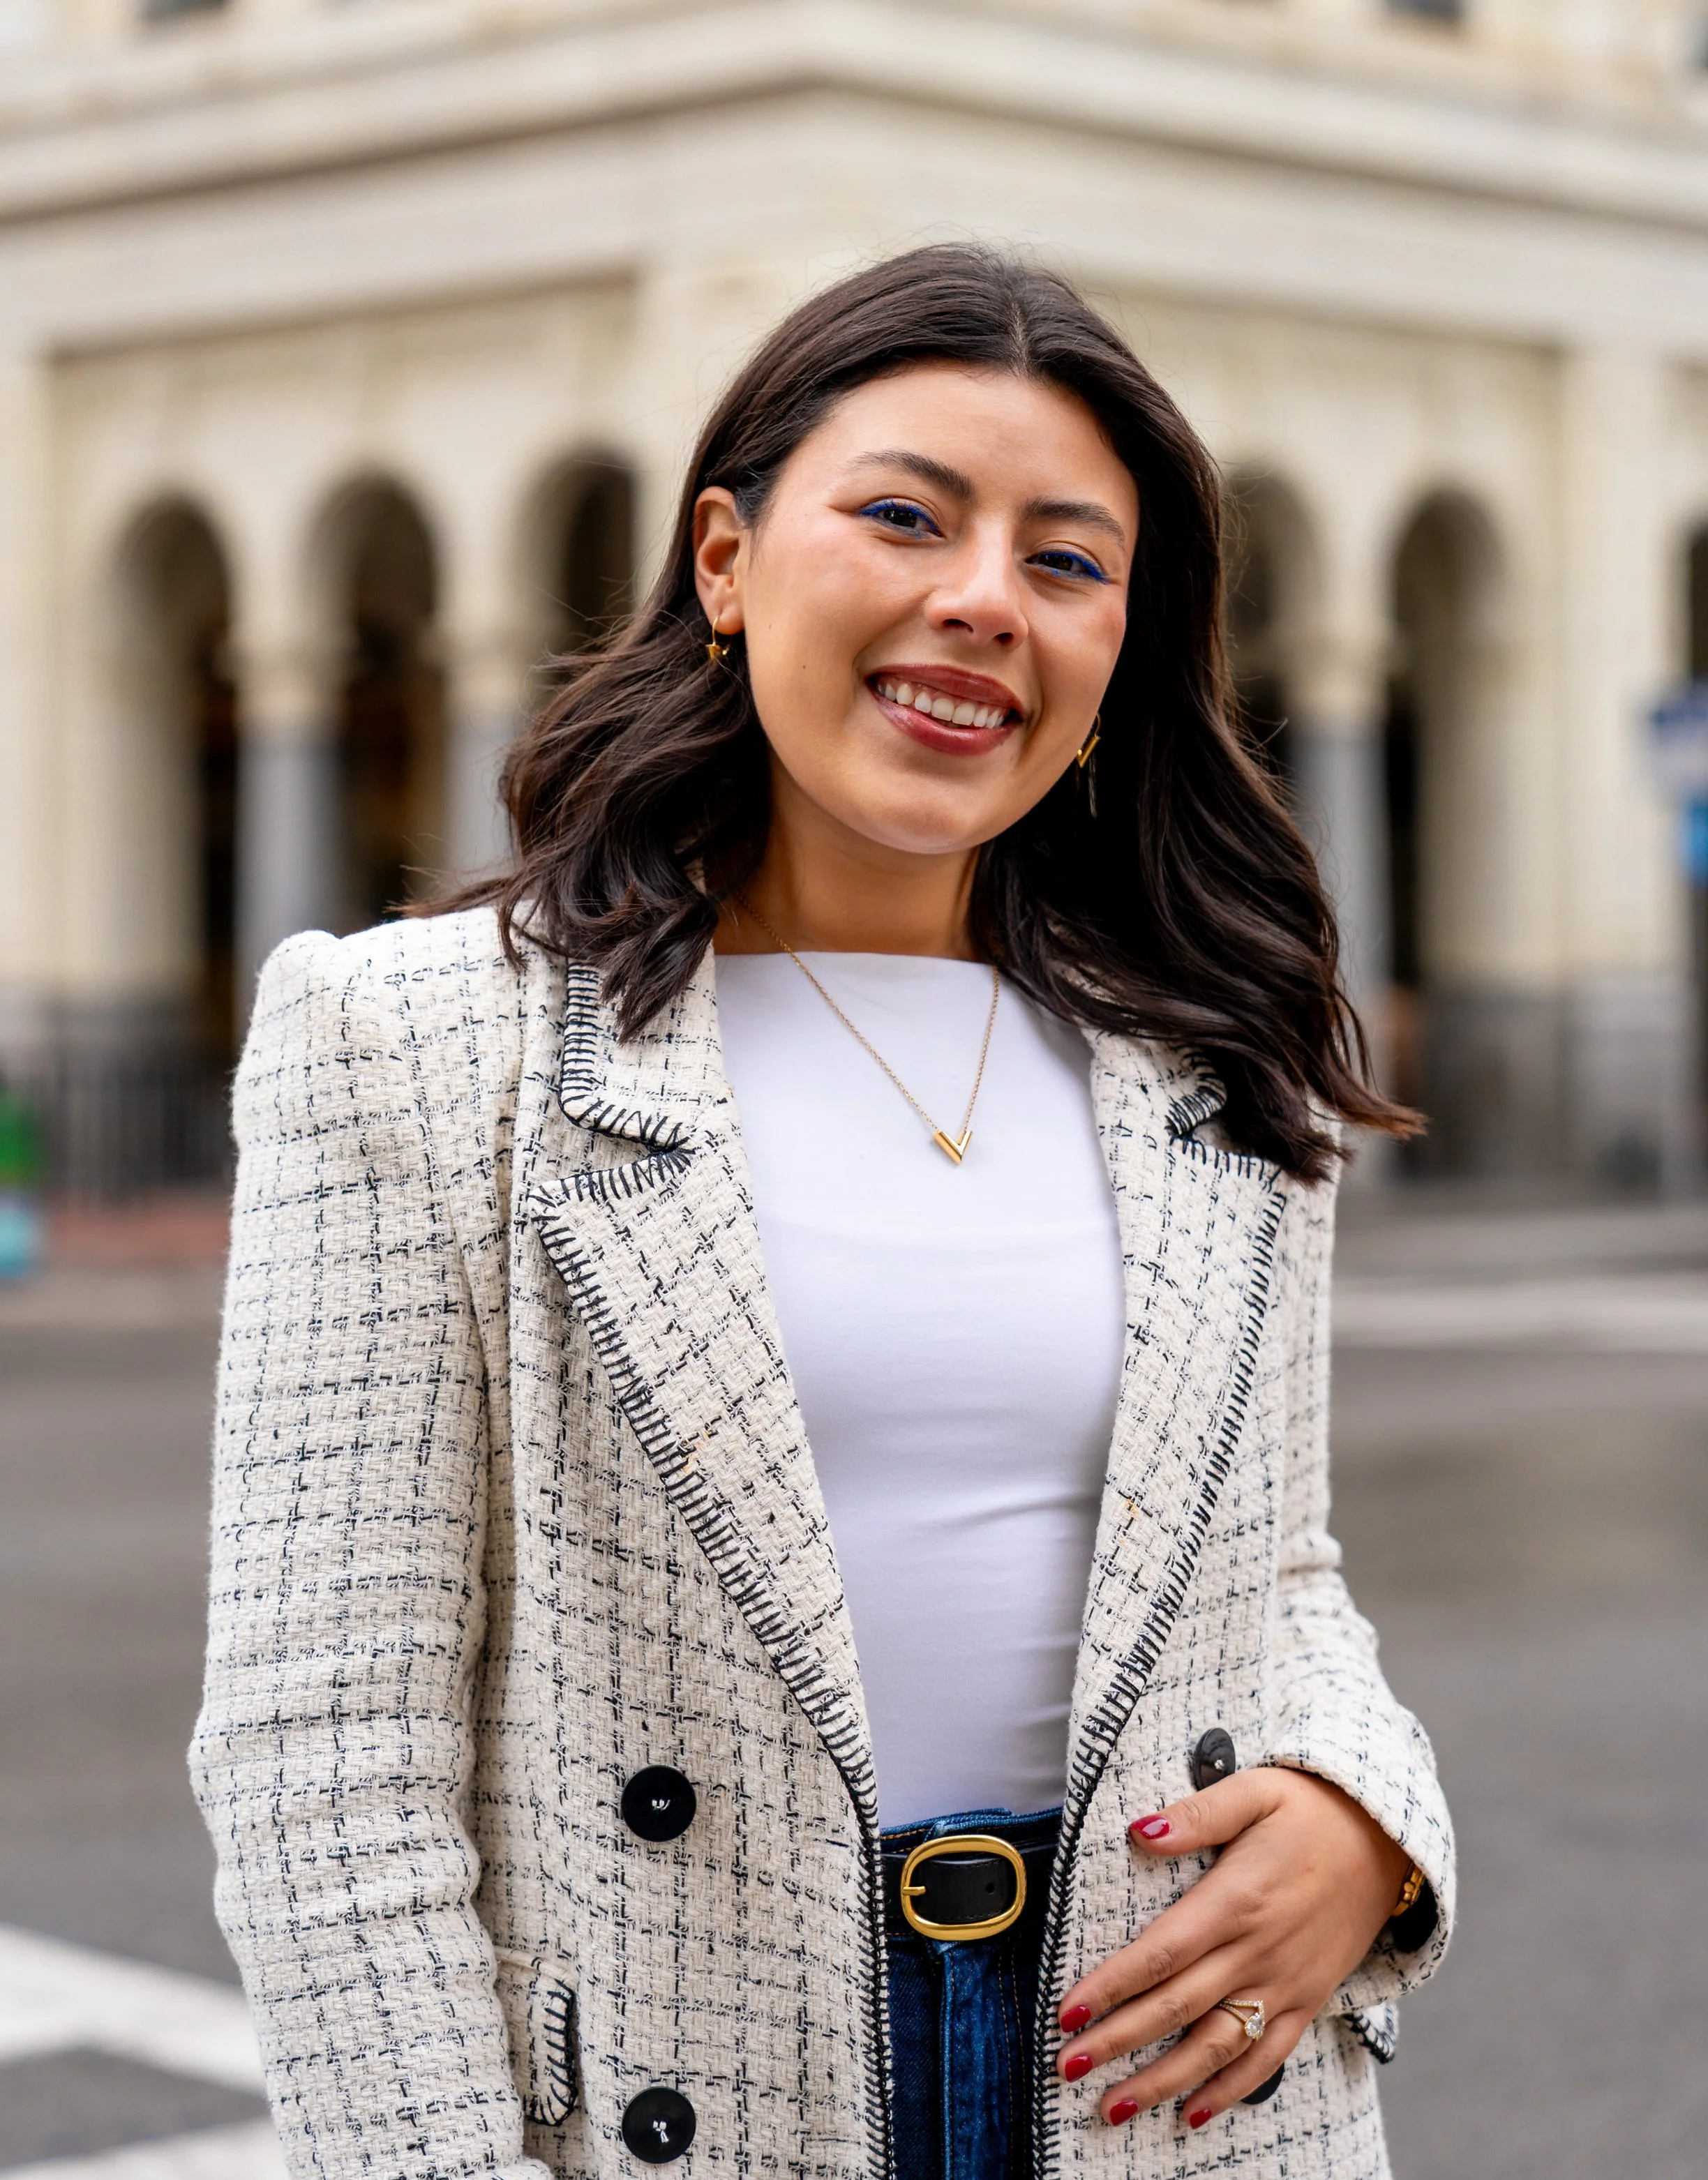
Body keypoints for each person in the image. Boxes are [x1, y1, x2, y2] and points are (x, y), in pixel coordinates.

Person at [192, 244, 1453, 2180]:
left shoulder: (1214, 1066)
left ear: (1122, 644)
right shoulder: (416, 1041)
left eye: (1063, 558)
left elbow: (1277, 1574)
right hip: (684, 2085)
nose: (979, 602)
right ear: (725, 558)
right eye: (902, 516)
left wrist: (1368, 1819)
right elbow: (321, 1759)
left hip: (1180, 2095)